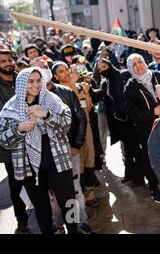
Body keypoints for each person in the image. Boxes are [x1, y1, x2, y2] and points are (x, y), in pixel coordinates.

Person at [0, 67, 78, 234]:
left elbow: (66, 124)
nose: (35, 85)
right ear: (21, 83)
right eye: (30, 81)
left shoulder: (52, 99)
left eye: (38, 80)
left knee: (70, 202)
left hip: (58, 161)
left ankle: (74, 230)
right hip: (29, 168)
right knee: (41, 207)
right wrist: (18, 129)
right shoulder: (10, 108)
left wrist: (47, 114)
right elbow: (3, 141)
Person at [29, 58, 94, 234]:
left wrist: (76, 145)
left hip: (68, 153)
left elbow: (80, 119)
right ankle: (58, 225)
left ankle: (78, 224)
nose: (41, 72)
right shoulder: (28, 98)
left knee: (74, 192)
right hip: (43, 159)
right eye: (37, 69)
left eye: (44, 67)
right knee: (51, 197)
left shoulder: (65, 92)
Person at [53, 62, 99, 208]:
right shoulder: (57, 92)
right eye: (61, 71)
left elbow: (89, 108)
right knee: (78, 164)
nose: (66, 73)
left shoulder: (79, 86)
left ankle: (90, 194)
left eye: (66, 69)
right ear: (55, 76)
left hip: (88, 131)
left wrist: (86, 93)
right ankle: (80, 200)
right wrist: (73, 83)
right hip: (73, 133)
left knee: (89, 158)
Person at [124, 54, 160, 203]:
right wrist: (153, 112)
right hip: (147, 129)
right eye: (134, 64)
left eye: (140, 62)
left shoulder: (159, 76)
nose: (138, 66)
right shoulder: (130, 87)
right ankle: (154, 188)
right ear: (131, 68)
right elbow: (133, 114)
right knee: (151, 158)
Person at [0, 50, 29, 234]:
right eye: (3, 61)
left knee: (37, 182)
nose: (7, 63)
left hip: (32, 141)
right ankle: (22, 221)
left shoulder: (23, 79)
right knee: (16, 185)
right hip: (10, 146)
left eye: (9, 60)